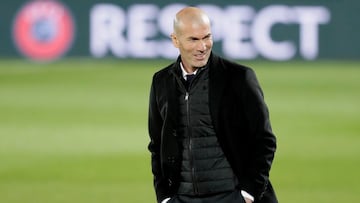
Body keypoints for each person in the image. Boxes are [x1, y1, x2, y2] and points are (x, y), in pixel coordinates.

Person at [148, 7, 277, 203]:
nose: (203, 46)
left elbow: (264, 140)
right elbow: (157, 145)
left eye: (206, 37)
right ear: (175, 40)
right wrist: (164, 197)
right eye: (193, 39)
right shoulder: (161, 81)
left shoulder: (239, 78)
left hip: (231, 196)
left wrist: (249, 193)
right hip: (182, 198)